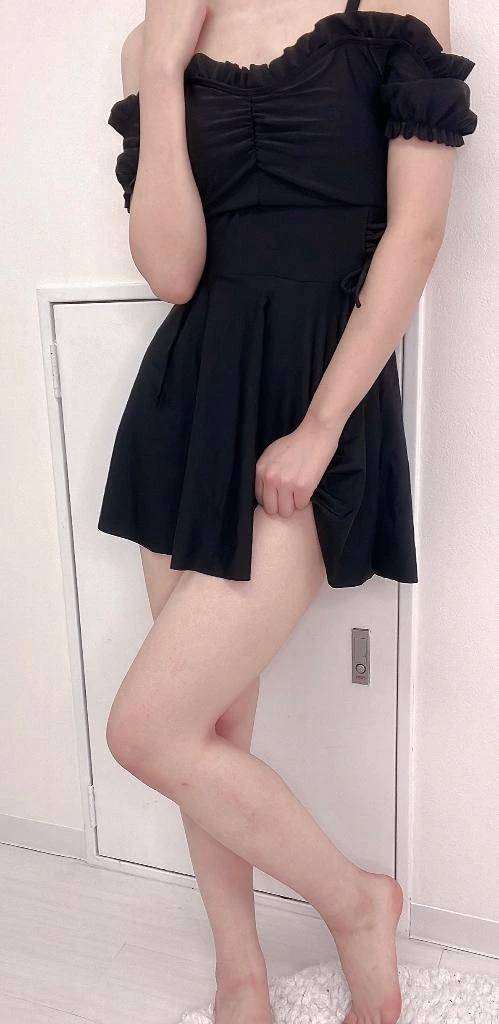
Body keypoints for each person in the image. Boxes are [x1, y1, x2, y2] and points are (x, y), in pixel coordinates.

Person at [98, 1, 477, 1020]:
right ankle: (241, 972)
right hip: (191, 402)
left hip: (322, 391)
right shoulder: (153, 43)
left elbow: (417, 233)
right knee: (209, 720)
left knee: (147, 727)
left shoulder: (392, 9)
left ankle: (356, 905)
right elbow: (172, 271)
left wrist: (320, 425)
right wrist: (163, 67)